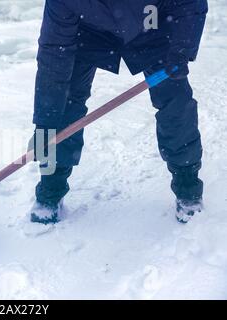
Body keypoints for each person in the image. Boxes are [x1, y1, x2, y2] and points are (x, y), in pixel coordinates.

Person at [30, 0, 208, 224]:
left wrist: (182, 50)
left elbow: (189, 3)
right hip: (90, 32)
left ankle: (188, 186)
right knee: (64, 102)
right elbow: (54, 51)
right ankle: (51, 187)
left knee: (176, 102)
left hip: (151, 25)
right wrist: (46, 121)